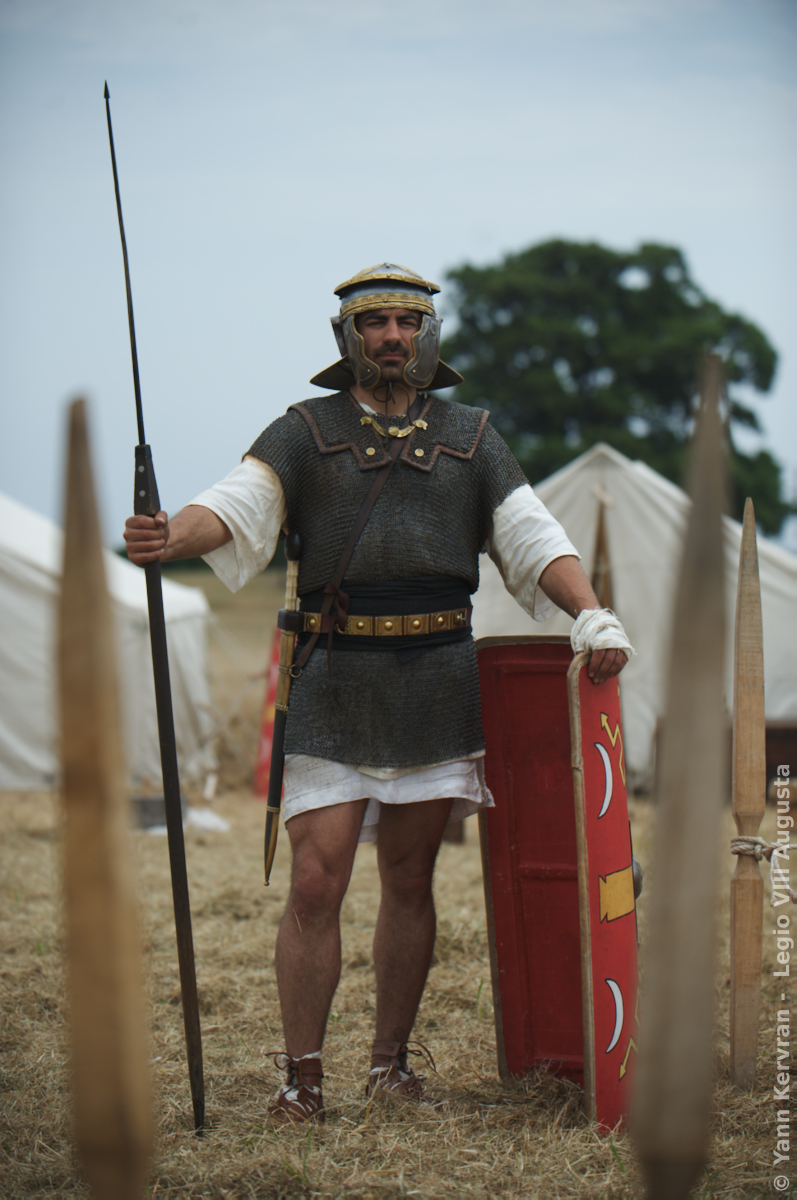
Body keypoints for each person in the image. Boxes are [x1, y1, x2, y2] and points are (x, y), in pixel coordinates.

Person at [124, 263, 633, 1124]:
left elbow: (530, 535)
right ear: (348, 337)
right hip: (334, 680)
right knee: (314, 882)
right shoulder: (304, 431)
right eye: (374, 322)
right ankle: (301, 1077)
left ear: (426, 334)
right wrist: (168, 534)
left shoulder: (472, 436)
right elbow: (238, 506)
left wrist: (588, 612)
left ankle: (388, 1065)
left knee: (409, 878)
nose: (391, 336)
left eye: (405, 321)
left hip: (435, 678)